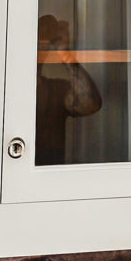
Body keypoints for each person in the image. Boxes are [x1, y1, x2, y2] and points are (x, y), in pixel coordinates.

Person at [35, 14, 102, 165]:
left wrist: (64, 51)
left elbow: (90, 104)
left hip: (53, 178)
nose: (40, 48)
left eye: (42, 44)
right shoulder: (8, 93)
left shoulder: (56, 90)